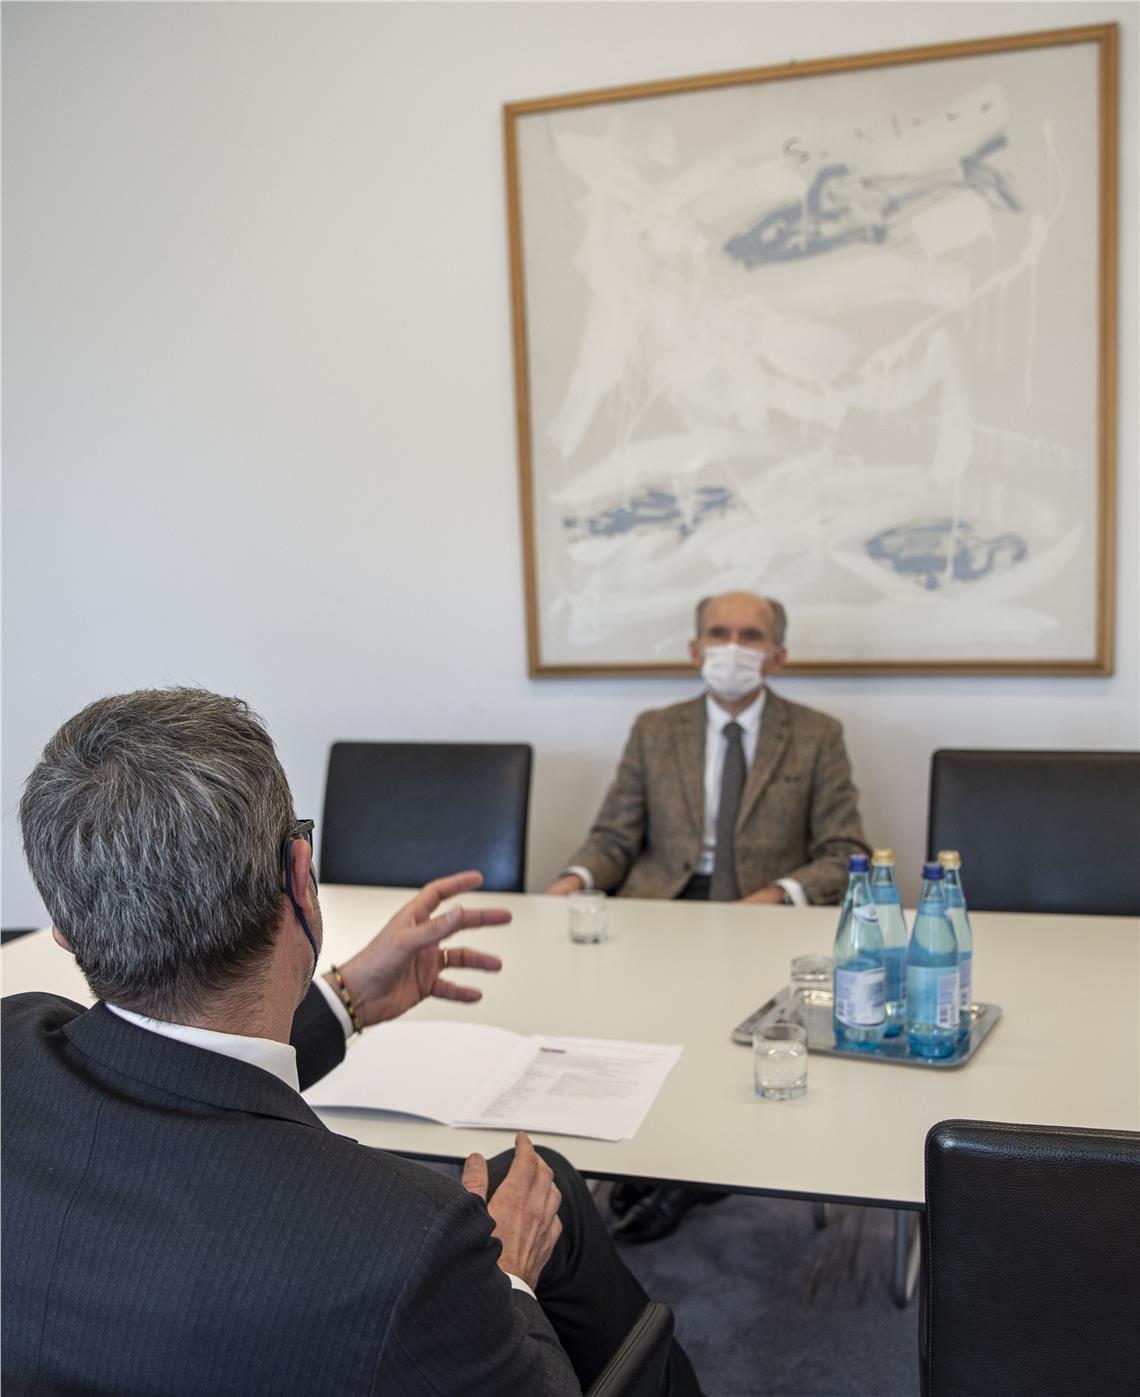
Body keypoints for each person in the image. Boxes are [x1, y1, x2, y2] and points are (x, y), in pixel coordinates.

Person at [2, 688, 701, 1396]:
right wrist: (511, 1274)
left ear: (65, 927)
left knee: (544, 1180)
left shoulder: (16, 1035)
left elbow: (181, 1067)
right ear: (300, 878)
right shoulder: (407, 1245)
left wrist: (348, 997)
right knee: (541, 1192)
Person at [548, 591, 869, 1240]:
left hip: (762, 913)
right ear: (695, 649)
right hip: (661, 910)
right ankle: (643, 1158)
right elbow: (613, 838)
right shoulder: (655, 730)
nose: (732, 648)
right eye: (719, 633)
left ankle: (685, 1175)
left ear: (777, 656)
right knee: (622, 1022)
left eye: (750, 636)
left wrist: (773, 897)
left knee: (726, 1027)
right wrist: (569, 881)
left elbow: (845, 853)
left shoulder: (817, 735)